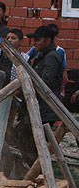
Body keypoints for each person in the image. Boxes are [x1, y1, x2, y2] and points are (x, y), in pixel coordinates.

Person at [18, 25, 65, 164]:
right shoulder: (43, 55)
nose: (34, 43)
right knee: (27, 141)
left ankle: (38, 175)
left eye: (37, 40)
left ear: (48, 40)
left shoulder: (51, 57)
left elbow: (45, 84)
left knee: (34, 144)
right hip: (38, 106)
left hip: (43, 109)